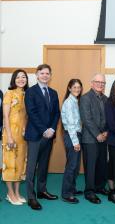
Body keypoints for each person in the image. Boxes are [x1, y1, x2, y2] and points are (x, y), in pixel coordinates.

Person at [25, 64, 60, 210]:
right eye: (42, 73)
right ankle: (31, 197)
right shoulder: (30, 92)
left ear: (50, 76)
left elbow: (56, 113)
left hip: (49, 135)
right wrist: (44, 129)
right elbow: (32, 113)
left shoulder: (53, 92)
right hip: (35, 135)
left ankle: (42, 191)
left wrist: (51, 129)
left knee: (44, 165)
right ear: (37, 75)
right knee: (32, 167)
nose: (45, 75)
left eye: (47, 73)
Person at [80, 73, 108, 204]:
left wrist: (106, 132)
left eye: (103, 83)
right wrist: (97, 134)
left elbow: (109, 118)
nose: (100, 84)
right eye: (98, 82)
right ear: (92, 83)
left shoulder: (106, 99)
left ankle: (99, 187)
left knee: (101, 164)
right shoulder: (85, 98)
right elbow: (87, 119)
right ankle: (89, 192)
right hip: (90, 138)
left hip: (104, 137)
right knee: (90, 166)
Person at [2, 69, 29, 205]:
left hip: (23, 136)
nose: (21, 79)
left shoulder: (26, 94)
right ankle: (10, 193)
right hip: (10, 134)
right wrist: (10, 137)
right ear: (14, 79)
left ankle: (17, 192)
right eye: (18, 77)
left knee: (20, 164)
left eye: (23, 77)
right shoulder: (9, 94)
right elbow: (5, 116)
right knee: (10, 165)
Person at [61, 79, 83, 204]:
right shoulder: (69, 102)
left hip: (76, 135)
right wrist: (75, 142)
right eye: (74, 87)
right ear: (69, 88)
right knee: (71, 166)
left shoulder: (75, 101)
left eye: (79, 87)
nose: (77, 89)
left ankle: (72, 189)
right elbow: (70, 124)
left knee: (75, 166)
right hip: (71, 136)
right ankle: (66, 193)